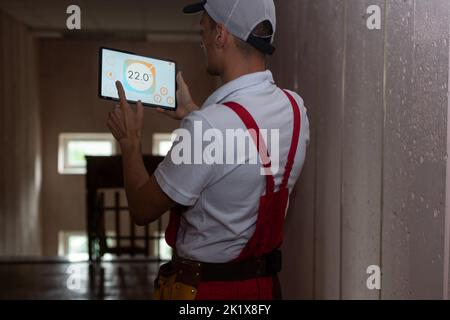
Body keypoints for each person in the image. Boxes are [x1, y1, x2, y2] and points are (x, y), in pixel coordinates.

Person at [106, 0, 310, 300]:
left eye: (203, 29)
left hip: (205, 292)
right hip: (263, 289)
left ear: (220, 34)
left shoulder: (208, 129)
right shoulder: (296, 109)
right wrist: (192, 111)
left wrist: (130, 141)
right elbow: (247, 150)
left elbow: (141, 208)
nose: (201, 39)